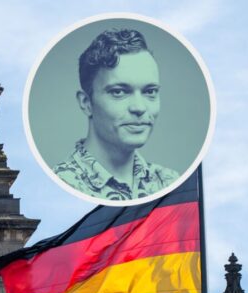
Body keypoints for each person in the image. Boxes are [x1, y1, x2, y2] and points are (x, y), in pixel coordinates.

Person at [53, 28, 180, 201]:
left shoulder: (170, 182)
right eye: (119, 92)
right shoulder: (62, 184)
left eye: (150, 91)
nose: (139, 107)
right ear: (86, 103)